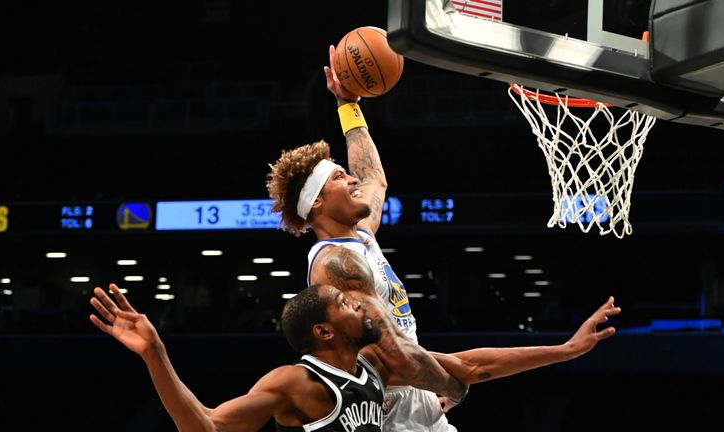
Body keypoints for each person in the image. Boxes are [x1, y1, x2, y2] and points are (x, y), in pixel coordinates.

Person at [266, 45, 622, 431]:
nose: (352, 179)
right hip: (394, 421)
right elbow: (398, 359)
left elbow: (373, 177)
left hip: (421, 407)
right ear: (317, 202)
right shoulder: (336, 265)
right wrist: (455, 385)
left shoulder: (360, 239)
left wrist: (347, 104)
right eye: (338, 177)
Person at [89, 282, 621, 431]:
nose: (358, 305)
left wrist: (567, 349)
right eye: (345, 303)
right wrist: (156, 354)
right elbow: (205, 427)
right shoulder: (296, 384)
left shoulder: (374, 364)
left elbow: (471, 367)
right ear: (324, 331)